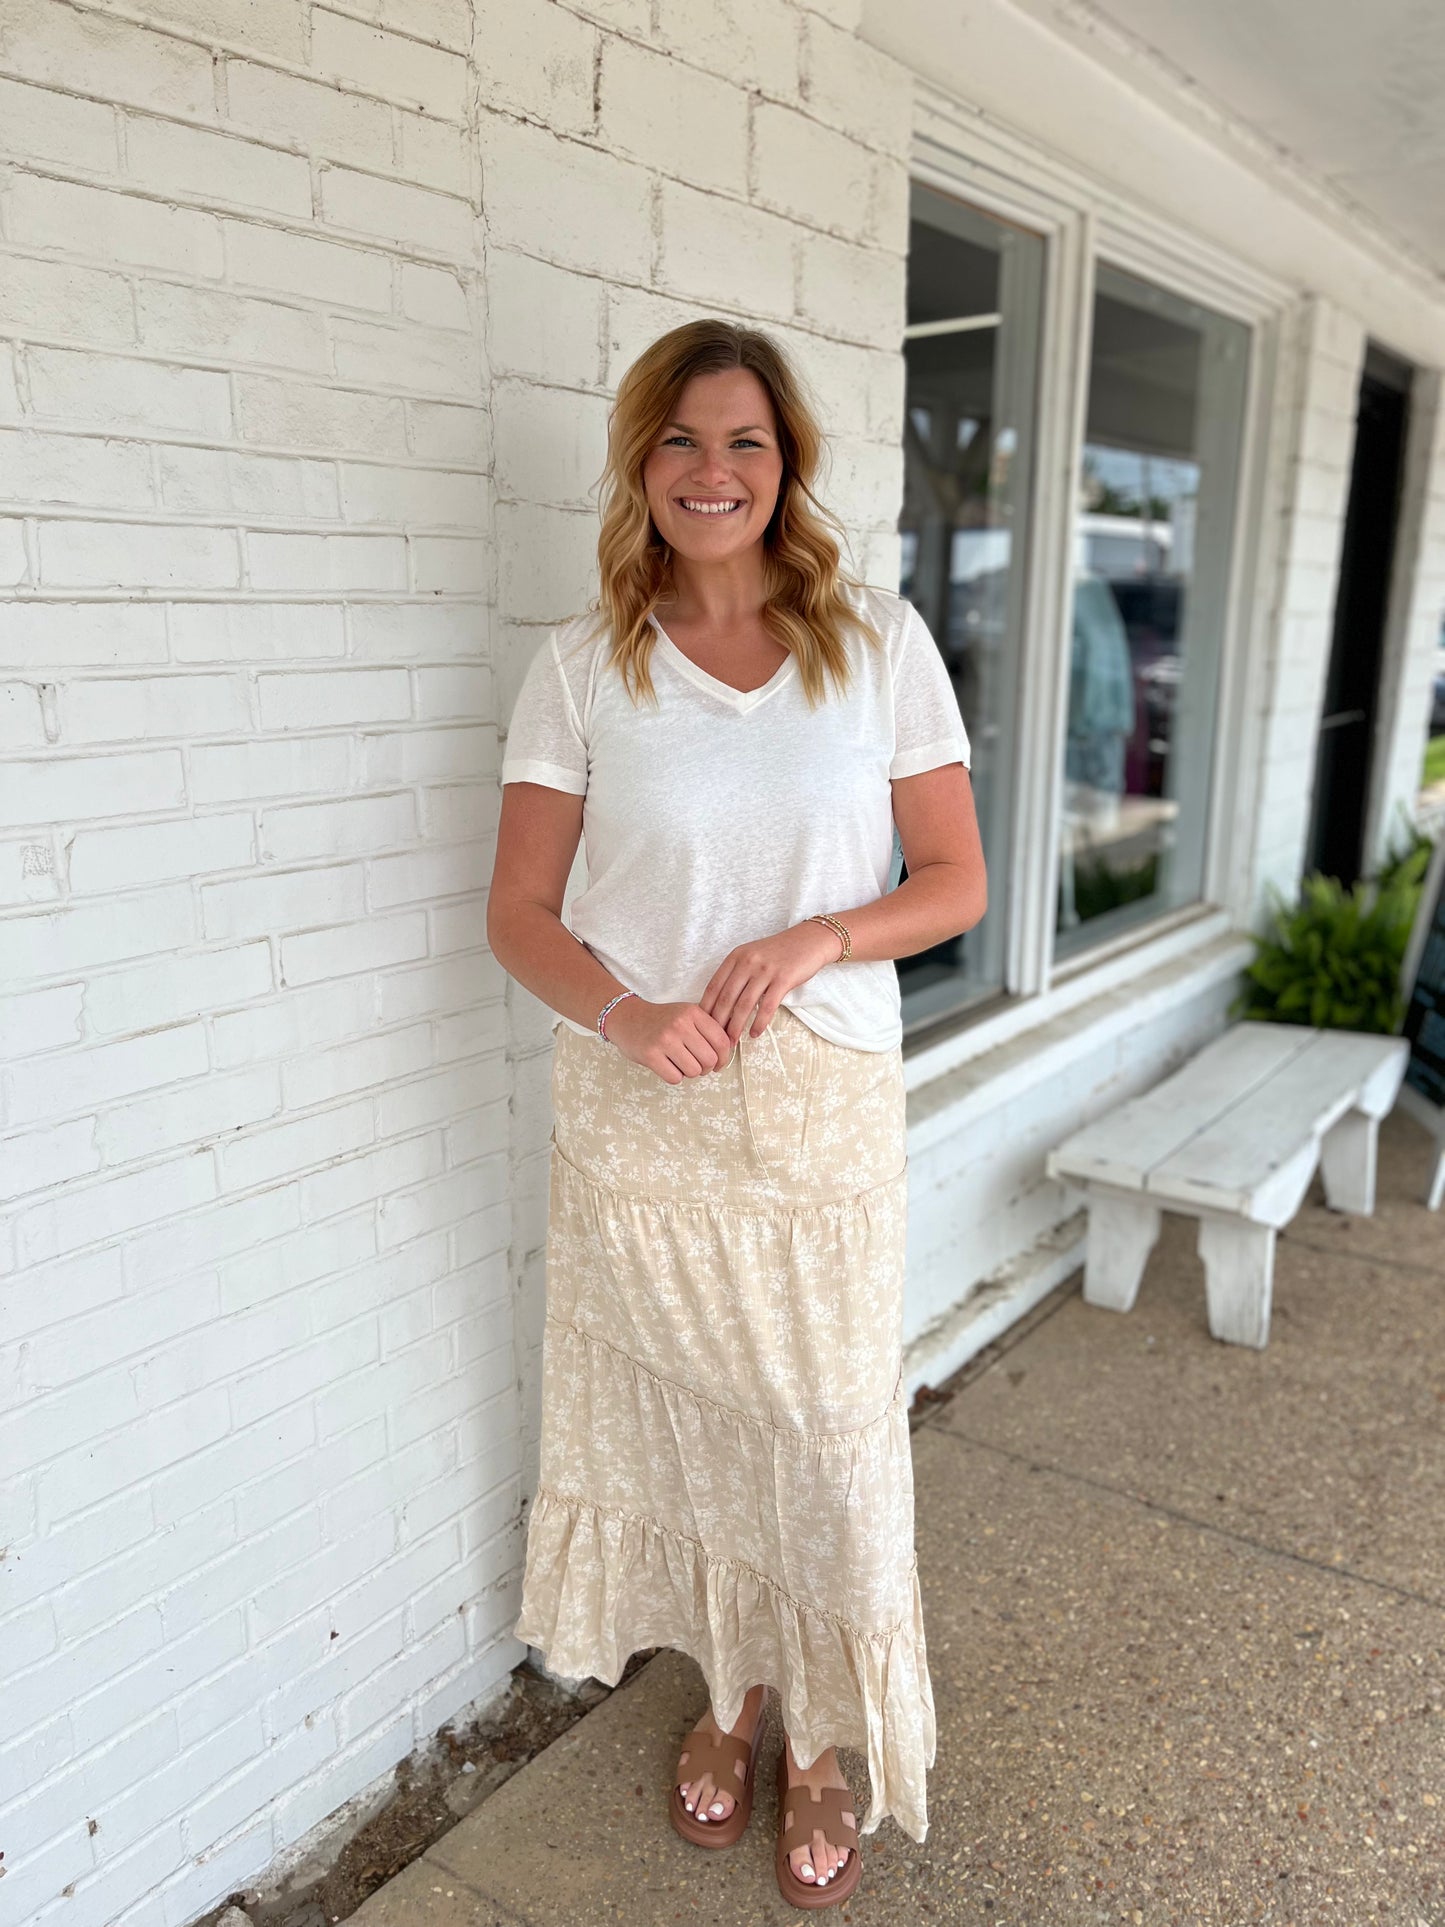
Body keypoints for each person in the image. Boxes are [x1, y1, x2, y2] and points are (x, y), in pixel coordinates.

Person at [487, 317, 985, 1908]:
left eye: (746, 443)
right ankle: (729, 1702)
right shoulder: (581, 667)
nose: (715, 471)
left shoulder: (876, 643)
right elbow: (517, 913)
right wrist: (627, 1012)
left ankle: (826, 1741)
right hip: (645, 1110)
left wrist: (819, 934)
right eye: (685, 442)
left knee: (827, 1437)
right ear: (643, 464)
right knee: (698, 1428)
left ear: (788, 468)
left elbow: (955, 882)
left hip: (822, 1105)